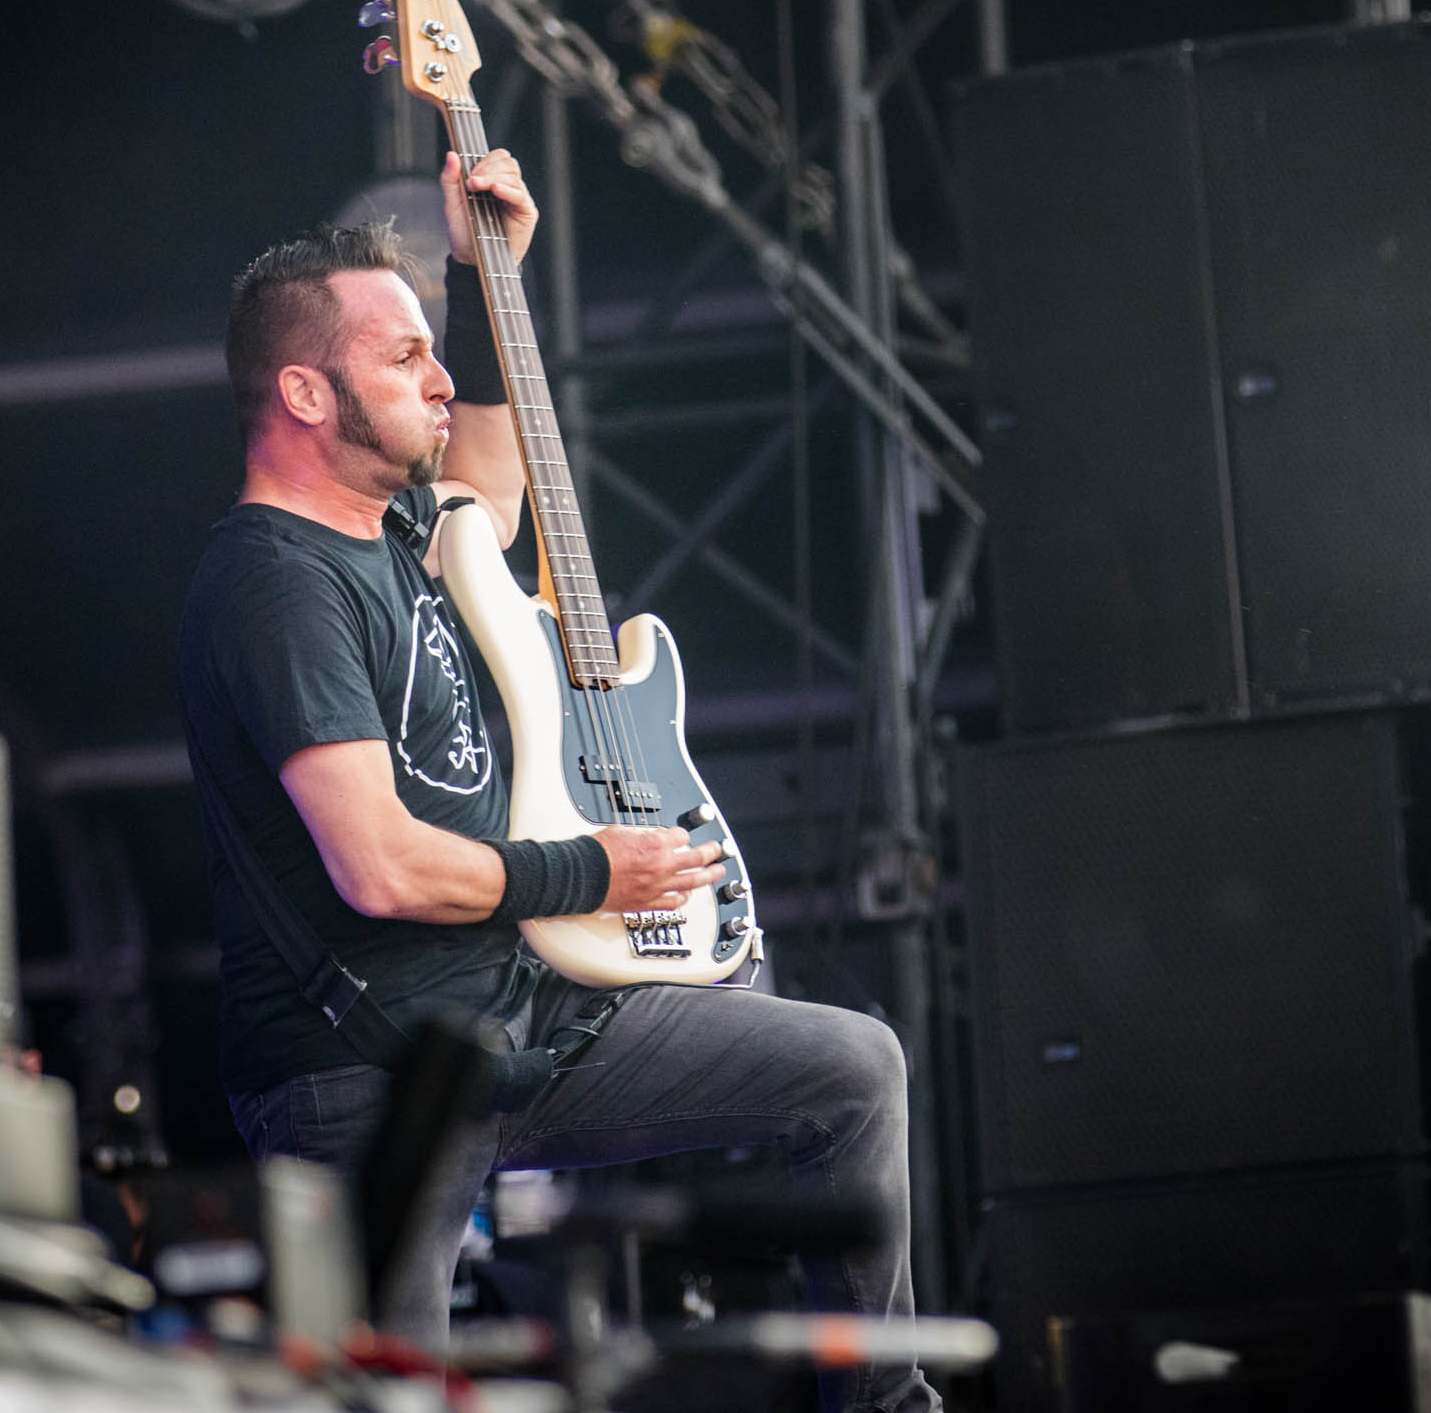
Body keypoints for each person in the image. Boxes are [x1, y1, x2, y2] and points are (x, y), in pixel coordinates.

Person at [176, 146, 940, 1413]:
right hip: (363, 1072)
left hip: (523, 1023)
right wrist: (599, 869)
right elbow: (381, 864)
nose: (436, 378)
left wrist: (490, 277)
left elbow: (490, 480)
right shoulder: (276, 582)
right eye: (403, 356)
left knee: (852, 1069)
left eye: (433, 349)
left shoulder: (399, 529)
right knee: (406, 1393)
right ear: (305, 394)